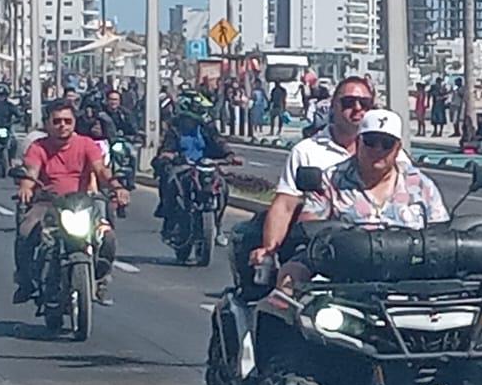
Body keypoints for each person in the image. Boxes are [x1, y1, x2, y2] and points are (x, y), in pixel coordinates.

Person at [252, 75, 388, 268]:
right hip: (327, 255)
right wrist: (269, 251)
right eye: (349, 102)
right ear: (333, 105)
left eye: (364, 103)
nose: (357, 108)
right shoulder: (307, 151)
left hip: (385, 253)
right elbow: (286, 205)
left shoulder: (389, 152)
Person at [13, 98, 128, 305]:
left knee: (108, 238)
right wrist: (26, 187)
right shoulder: (38, 147)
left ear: (74, 122)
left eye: (67, 121)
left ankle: (100, 281)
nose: (62, 126)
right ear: (47, 124)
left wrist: (117, 187)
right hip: (47, 205)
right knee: (26, 231)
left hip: (82, 205)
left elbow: (101, 170)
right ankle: (25, 282)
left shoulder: (87, 144)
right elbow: (31, 172)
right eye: (57, 121)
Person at [301, 109, 447, 231]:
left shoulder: (421, 185)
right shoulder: (331, 181)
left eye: (387, 143)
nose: (378, 149)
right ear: (358, 143)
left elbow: (441, 236)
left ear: (397, 149)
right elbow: (309, 227)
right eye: (371, 141)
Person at [153, 92, 233, 239]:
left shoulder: (206, 127)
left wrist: (229, 154)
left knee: (222, 186)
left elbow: (218, 140)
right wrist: (169, 156)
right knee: (171, 181)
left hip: (205, 165)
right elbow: (165, 149)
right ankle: (170, 219)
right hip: (183, 166)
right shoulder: (174, 129)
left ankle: (218, 225)